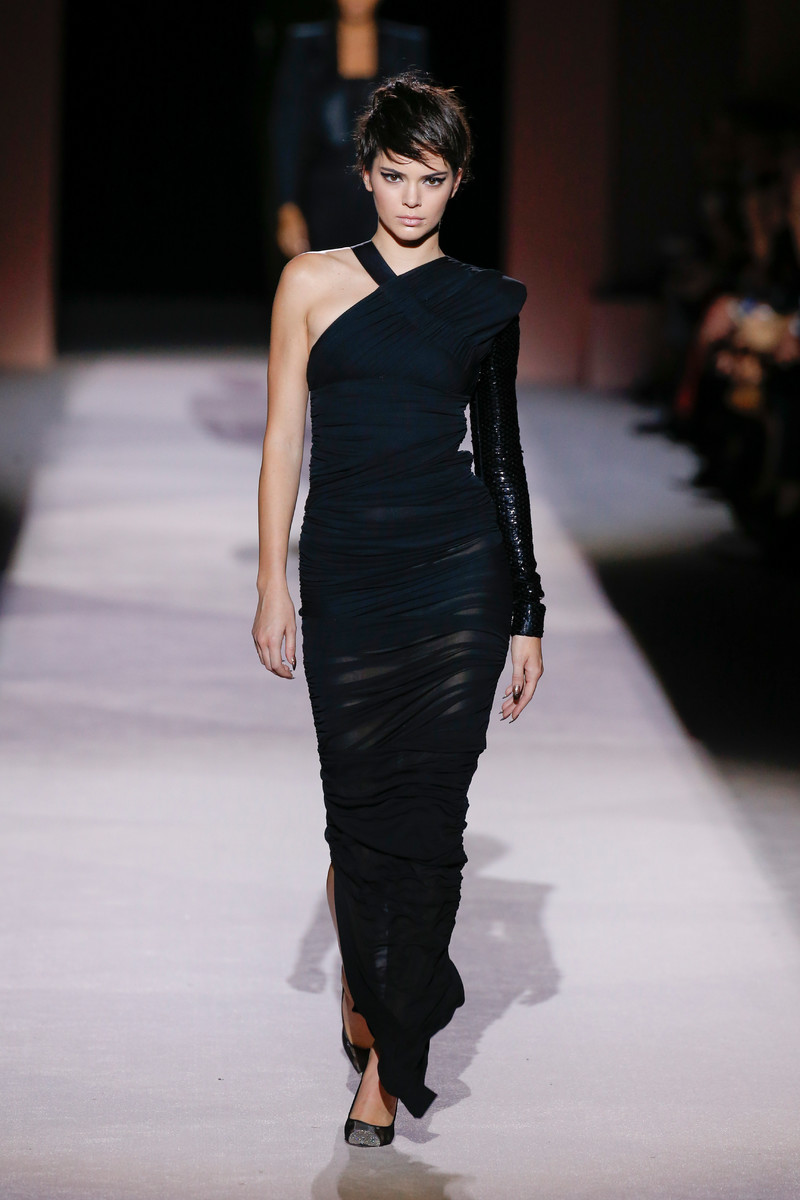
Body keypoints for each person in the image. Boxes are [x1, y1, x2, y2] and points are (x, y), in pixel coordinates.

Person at [252, 72, 545, 1146]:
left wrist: (527, 609)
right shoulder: (309, 282)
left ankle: (386, 1063)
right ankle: (367, 980)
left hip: (457, 575)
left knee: (428, 821)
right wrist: (270, 581)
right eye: (393, 175)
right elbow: (284, 435)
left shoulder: (486, 302)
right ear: (365, 174)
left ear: (457, 182)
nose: (411, 197)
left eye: (431, 178)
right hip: (346, 574)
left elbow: (502, 461)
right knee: (358, 812)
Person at [270, 0, 428, 258]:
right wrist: (287, 206)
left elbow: (421, 131)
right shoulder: (304, 44)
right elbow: (287, 131)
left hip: (389, 197)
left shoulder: (407, 44)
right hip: (320, 202)